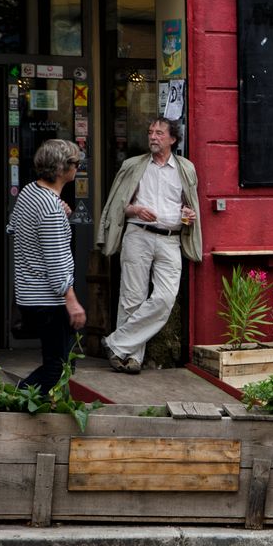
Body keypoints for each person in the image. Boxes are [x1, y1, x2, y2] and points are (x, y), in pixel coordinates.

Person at [96, 118, 202, 374]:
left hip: (170, 238)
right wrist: (134, 209)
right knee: (131, 298)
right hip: (138, 234)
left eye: (159, 133)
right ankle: (131, 358)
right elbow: (117, 204)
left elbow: (188, 204)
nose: (153, 137)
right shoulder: (133, 165)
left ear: (172, 139)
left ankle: (116, 343)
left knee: (165, 298)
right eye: (150, 132)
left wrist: (189, 214)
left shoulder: (186, 168)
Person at [7, 140, 87, 392]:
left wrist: (58, 215)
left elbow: (12, 227)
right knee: (58, 367)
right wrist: (71, 301)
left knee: (61, 363)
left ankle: (29, 403)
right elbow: (57, 259)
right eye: (75, 163)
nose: (78, 167)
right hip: (48, 300)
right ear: (63, 168)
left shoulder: (30, 192)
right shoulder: (50, 207)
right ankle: (15, 402)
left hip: (30, 294)